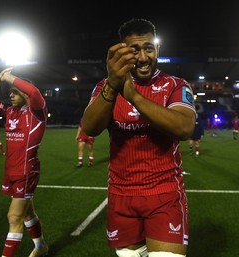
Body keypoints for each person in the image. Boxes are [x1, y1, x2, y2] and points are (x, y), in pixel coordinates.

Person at [82, 18, 196, 257]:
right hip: (121, 196)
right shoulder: (105, 87)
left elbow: (185, 128)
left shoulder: (175, 85)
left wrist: (134, 96)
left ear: (157, 50)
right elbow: (90, 127)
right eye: (135, 50)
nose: (143, 58)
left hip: (164, 194)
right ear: (122, 52)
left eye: (148, 48)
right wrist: (113, 85)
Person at [0, 67, 49, 257]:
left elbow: (34, 92)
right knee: (26, 214)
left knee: (14, 217)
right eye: (10, 92)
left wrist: (9, 77)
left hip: (26, 171)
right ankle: (41, 247)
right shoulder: (9, 111)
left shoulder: (37, 112)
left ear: (25, 94)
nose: (11, 95)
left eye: (15, 92)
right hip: (10, 171)